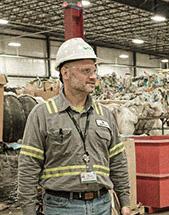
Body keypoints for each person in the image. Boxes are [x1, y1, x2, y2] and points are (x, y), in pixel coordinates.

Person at [18, 37, 131, 215]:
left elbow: (118, 161)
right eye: (86, 71)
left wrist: (124, 201)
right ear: (65, 73)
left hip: (102, 204)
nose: (93, 77)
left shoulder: (105, 115)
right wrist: (28, 210)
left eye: (94, 71)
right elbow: (28, 167)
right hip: (61, 206)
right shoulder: (43, 114)